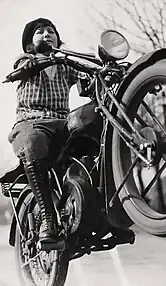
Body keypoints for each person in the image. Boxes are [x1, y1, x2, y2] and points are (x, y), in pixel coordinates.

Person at [8, 18, 88, 244]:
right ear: (29, 44)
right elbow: (22, 69)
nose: (46, 34)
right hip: (31, 122)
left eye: (51, 31)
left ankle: (107, 211)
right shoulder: (27, 60)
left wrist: (102, 75)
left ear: (58, 39)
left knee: (94, 132)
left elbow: (85, 79)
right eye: (40, 32)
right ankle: (47, 219)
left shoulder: (65, 66)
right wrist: (40, 60)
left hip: (64, 124)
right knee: (33, 142)